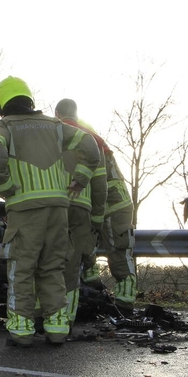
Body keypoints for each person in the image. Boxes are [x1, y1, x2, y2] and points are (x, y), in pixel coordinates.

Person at [0, 77, 100, 347]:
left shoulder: (5, 126)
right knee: (53, 268)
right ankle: (57, 328)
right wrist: (80, 179)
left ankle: (22, 331)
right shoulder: (54, 125)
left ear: (2, 102)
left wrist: (5, 187)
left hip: (25, 209)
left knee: (21, 269)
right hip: (58, 208)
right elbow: (90, 147)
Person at [54, 98, 107, 326]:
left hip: (54, 204)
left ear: (57, 113)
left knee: (50, 259)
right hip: (81, 208)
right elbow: (100, 185)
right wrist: (96, 219)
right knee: (72, 265)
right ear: (76, 114)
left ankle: (46, 315)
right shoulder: (92, 139)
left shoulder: (52, 133)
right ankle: (66, 318)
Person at [81, 125, 138, 313]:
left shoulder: (80, 137)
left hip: (113, 206)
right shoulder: (86, 133)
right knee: (86, 249)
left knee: (119, 254)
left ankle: (124, 305)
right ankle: (95, 292)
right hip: (100, 204)